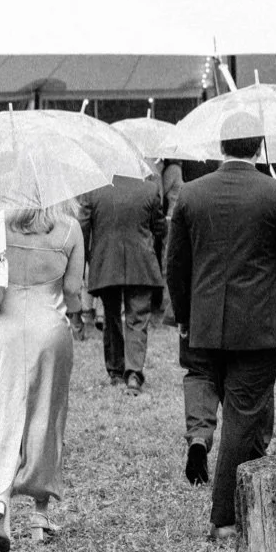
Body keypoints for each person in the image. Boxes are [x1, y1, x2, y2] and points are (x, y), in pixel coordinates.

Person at [165, 114, 276, 534]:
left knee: (247, 414)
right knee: (244, 417)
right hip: (257, 325)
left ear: (221, 146)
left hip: (205, 321)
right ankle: (225, 518)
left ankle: (246, 477)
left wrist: (185, 318)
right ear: (259, 148)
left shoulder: (191, 194)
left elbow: (176, 265)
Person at [0, 188, 87, 552]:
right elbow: (72, 289)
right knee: (47, 417)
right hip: (51, 329)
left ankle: (0, 502)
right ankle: (39, 515)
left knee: (6, 410)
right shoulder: (70, 229)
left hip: (7, 329)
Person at [83, 159, 169, 390]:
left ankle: (115, 370)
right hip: (140, 262)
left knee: (110, 316)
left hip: (105, 262)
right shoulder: (150, 190)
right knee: (137, 318)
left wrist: (87, 260)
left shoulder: (94, 190)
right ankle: (134, 373)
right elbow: (159, 228)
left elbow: (83, 227)